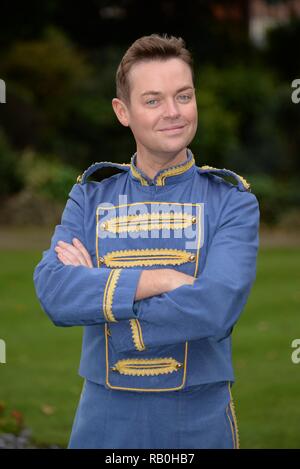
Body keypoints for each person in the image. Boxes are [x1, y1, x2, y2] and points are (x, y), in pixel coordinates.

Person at [33, 33, 259, 449]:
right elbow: (53, 291)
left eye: (184, 96)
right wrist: (162, 280)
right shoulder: (90, 195)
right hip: (103, 423)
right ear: (124, 111)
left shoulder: (232, 201)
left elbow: (217, 306)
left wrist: (104, 299)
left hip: (198, 420)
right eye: (153, 100)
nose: (173, 113)